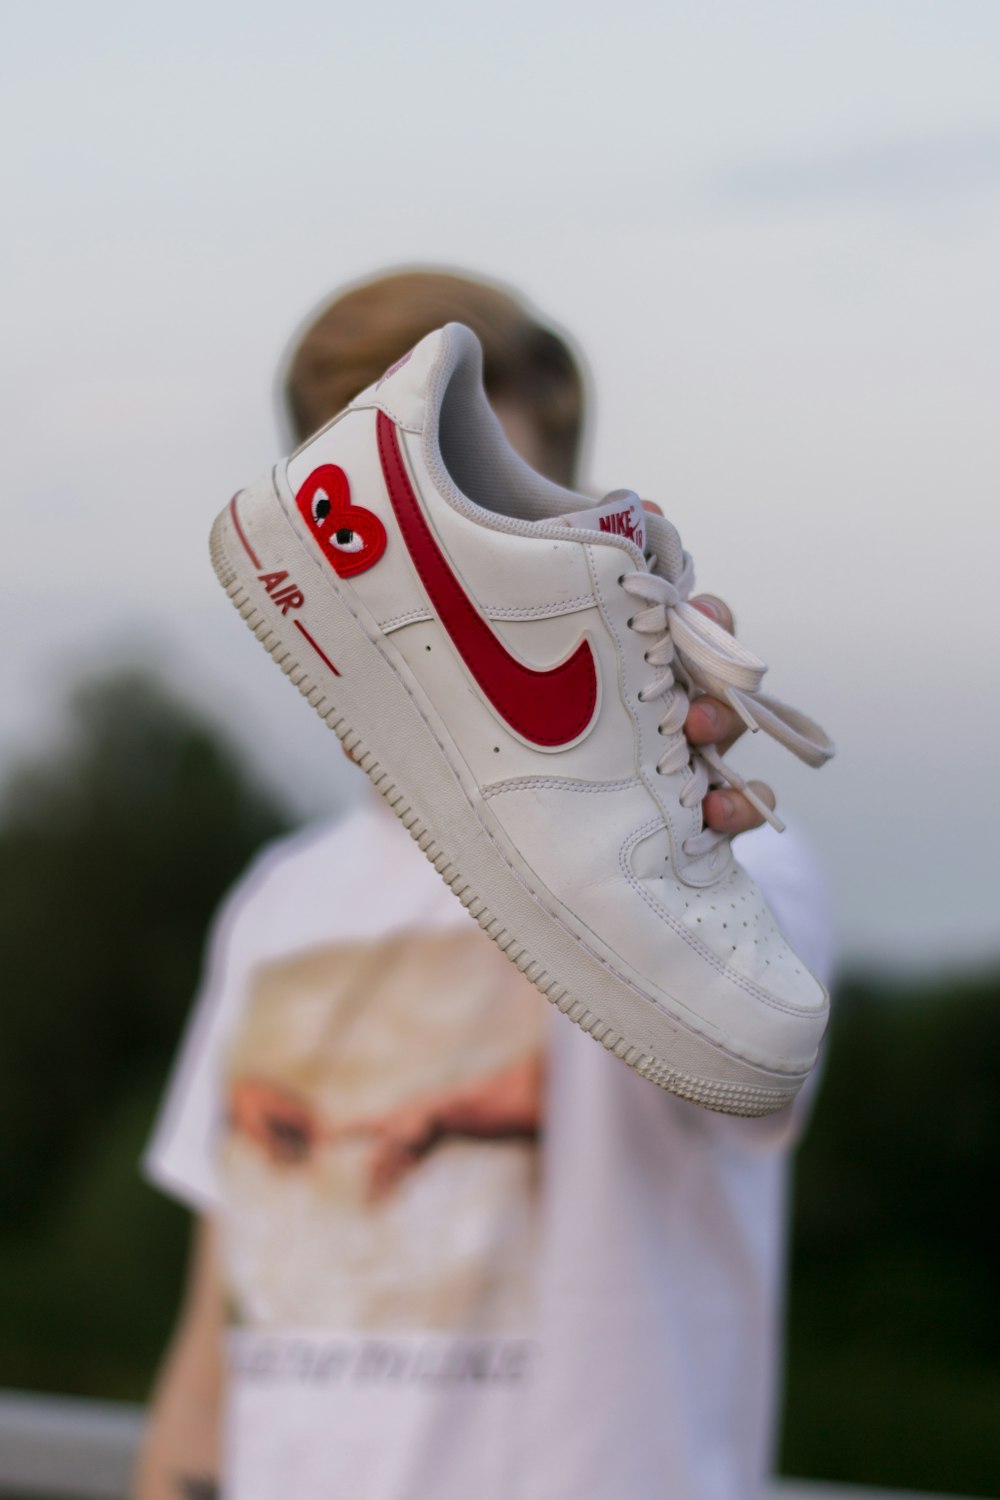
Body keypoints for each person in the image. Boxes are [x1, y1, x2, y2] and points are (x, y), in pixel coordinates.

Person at [135, 269, 832, 1500]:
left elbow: (749, 1099)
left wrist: (640, 751)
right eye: (334, 409)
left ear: (551, 419)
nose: (358, 407)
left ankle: (549, 722)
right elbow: (224, 1308)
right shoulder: (277, 903)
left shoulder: (759, 870)